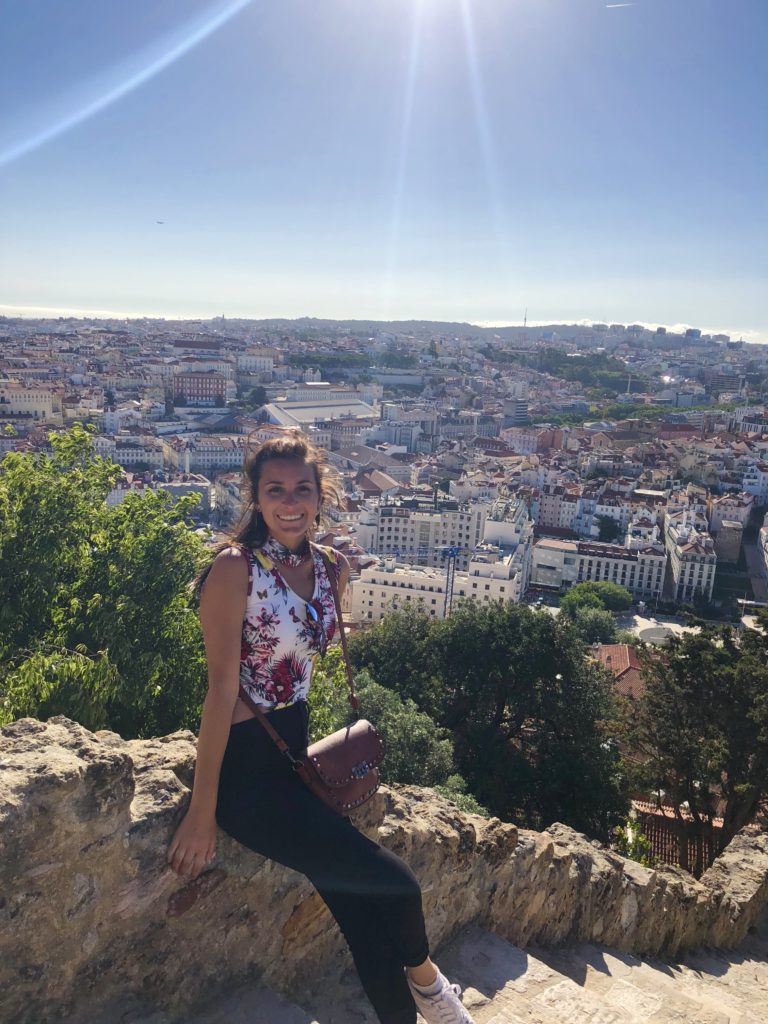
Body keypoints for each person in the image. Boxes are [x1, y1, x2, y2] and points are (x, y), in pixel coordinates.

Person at [167, 433, 474, 1024]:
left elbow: (305, 663)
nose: (289, 502)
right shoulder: (235, 570)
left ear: (320, 495)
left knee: (362, 919)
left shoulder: (331, 567)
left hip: (293, 763)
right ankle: (431, 984)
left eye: (301, 489)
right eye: (274, 489)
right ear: (254, 497)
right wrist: (203, 811)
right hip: (246, 783)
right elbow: (219, 692)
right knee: (399, 888)